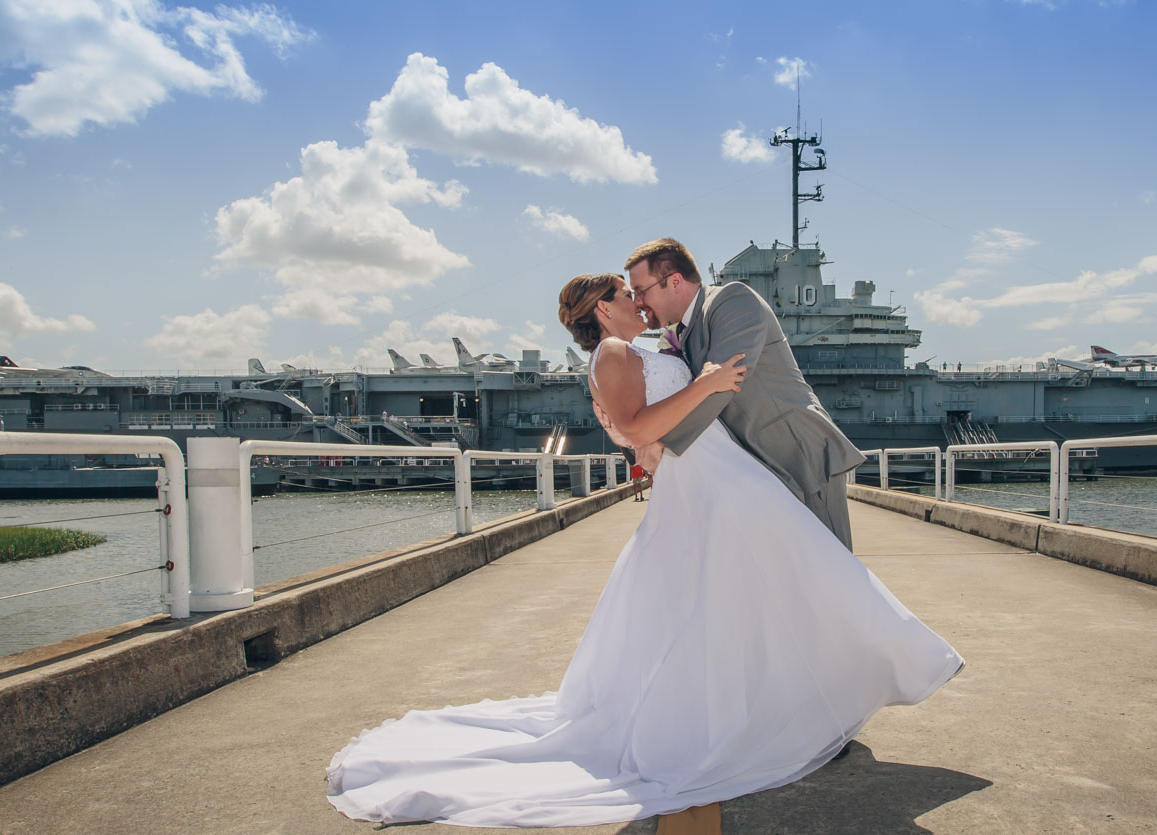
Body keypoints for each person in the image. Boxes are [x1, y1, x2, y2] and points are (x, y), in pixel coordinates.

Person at [324, 272, 965, 829]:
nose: (636, 299)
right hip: (708, 480)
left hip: (715, 475)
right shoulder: (611, 351)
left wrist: (676, 411)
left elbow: (640, 434)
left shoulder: (638, 347)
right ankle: (798, 698)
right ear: (602, 308)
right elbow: (634, 427)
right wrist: (708, 384)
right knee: (788, 579)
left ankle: (797, 695)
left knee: (763, 588)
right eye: (624, 293)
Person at [626, 238, 866, 549]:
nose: (637, 302)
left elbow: (724, 384)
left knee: (832, 572)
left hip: (795, 455)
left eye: (641, 291)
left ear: (674, 281)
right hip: (752, 471)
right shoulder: (679, 333)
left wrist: (660, 441)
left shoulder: (732, 300)